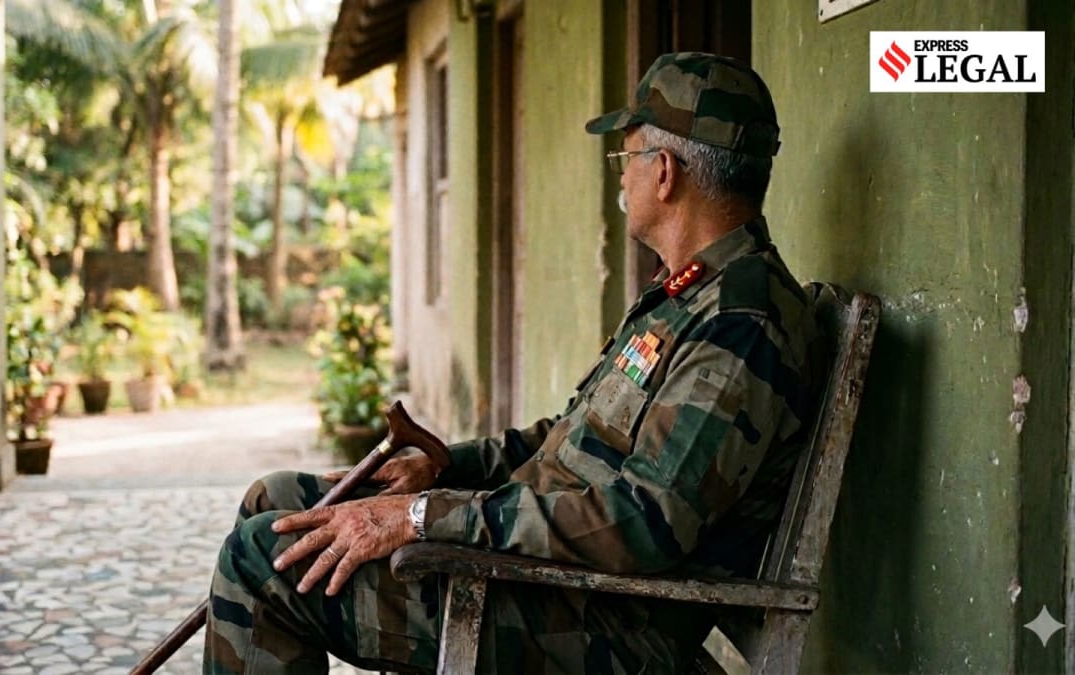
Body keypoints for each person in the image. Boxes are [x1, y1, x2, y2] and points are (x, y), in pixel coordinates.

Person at [204, 52, 817, 674]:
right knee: (274, 500)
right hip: (548, 574)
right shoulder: (688, 295)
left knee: (264, 562)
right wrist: (445, 469)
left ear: (663, 173)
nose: (619, 181)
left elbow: (644, 522)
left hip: (598, 618)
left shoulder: (741, 324)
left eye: (624, 160)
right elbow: (570, 440)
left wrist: (422, 518)